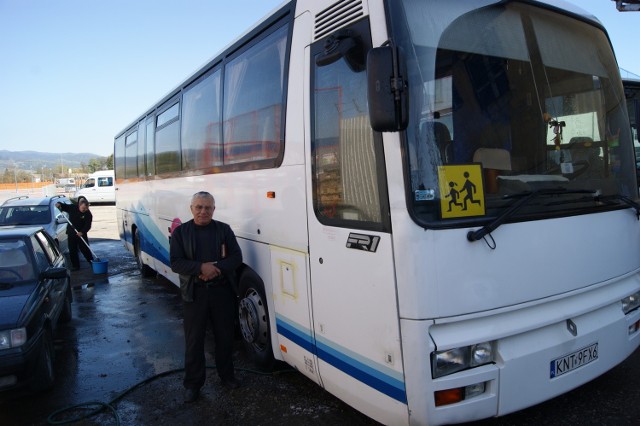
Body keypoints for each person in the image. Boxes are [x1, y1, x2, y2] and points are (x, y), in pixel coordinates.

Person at [170, 191, 243, 403]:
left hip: (222, 292)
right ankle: (193, 384)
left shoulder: (223, 230)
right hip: (195, 293)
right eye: (199, 207)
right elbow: (176, 262)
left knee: (225, 338)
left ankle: (227, 376)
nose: (203, 211)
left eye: (208, 208)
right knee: (194, 341)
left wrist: (216, 268)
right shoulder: (181, 233)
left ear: (214, 209)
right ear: (191, 208)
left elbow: (237, 257)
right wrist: (200, 267)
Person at [56, 198, 93, 271]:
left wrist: (82, 232)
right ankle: (75, 266)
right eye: (83, 208)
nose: (84, 210)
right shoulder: (72, 208)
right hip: (71, 233)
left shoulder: (88, 214)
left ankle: (92, 262)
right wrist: (59, 204)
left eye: (86, 208)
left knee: (85, 249)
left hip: (81, 234)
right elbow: (64, 206)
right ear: (79, 205)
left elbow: (88, 225)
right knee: (72, 249)